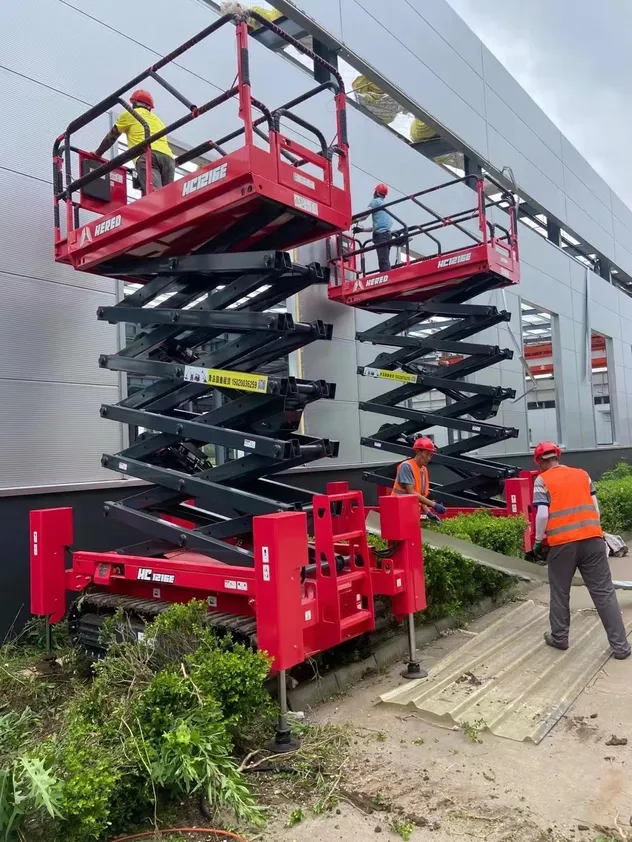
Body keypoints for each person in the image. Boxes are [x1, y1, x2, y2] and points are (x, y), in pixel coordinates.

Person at [532, 441, 631, 659]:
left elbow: (541, 515)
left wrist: (539, 541)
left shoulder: (542, 480)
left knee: (560, 592)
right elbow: (595, 508)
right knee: (604, 593)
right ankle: (621, 647)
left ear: (539, 462)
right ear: (558, 457)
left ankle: (559, 638)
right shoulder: (582, 475)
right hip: (593, 540)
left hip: (562, 545)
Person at [94, 89, 175, 196]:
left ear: (134, 103)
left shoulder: (130, 114)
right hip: (168, 159)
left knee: (155, 196)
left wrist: (98, 153)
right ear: (149, 107)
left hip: (149, 155)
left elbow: (112, 136)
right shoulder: (158, 120)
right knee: (168, 197)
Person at [392, 437, 446, 523]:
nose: (428, 458)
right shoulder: (407, 466)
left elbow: (419, 497)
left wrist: (429, 514)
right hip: (398, 511)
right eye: (427, 454)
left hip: (410, 513)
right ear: (417, 451)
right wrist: (434, 505)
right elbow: (412, 493)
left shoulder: (424, 470)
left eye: (431, 455)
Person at [353, 183, 393, 272]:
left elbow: (365, 216)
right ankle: (387, 276)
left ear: (377, 192)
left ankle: (386, 279)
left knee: (383, 261)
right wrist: (361, 230)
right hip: (387, 235)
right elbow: (375, 227)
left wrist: (353, 220)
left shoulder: (375, 202)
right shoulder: (384, 206)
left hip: (381, 236)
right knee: (385, 260)